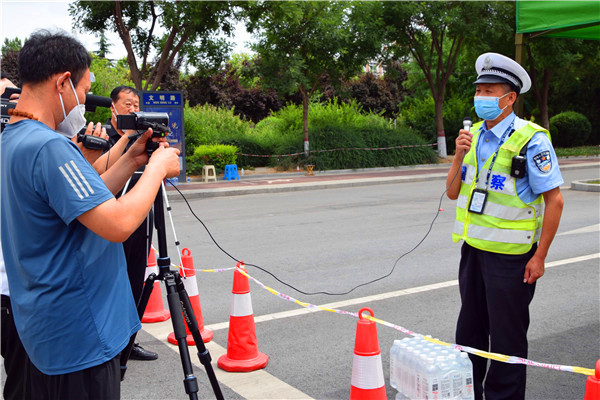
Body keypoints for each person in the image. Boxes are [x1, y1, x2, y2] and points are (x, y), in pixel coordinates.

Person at [0, 30, 180, 399]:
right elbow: (116, 223)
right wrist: (157, 169)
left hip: (45, 325)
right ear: (63, 81)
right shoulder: (48, 147)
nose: (84, 101)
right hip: (79, 334)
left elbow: (82, 202)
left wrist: (131, 159)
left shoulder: (13, 138)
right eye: (83, 90)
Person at [446, 52, 564, 400]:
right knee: (469, 334)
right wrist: (456, 154)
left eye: (489, 90)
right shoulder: (474, 136)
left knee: (507, 340)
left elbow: (554, 200)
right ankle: (470, 394)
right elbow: (453, 192)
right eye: (478, 90)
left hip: (512, 259)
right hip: (474, 253)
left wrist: (539, 256)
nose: (481, 97)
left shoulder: (532, 140)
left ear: (510, 98)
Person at [98, 85, 159, 361]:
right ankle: (108, 343)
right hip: (111, 221)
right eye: (127, 104)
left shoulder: (144, 137)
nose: (133, 109)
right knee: (113, 281)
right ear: (113, 107)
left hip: (140, 218)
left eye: (136, 104)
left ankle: (129, 343)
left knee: (136, 279)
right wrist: (124, 141)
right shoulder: (102, 137)